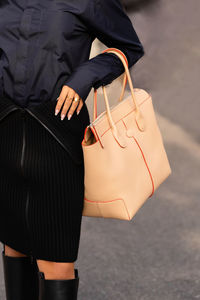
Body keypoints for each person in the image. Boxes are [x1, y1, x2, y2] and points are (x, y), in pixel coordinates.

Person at [0, 0, 144, 299]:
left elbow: (128, 47)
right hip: (6, 130)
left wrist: (84, 78)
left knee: (55, 261)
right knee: (13, 245)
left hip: (57, 134)